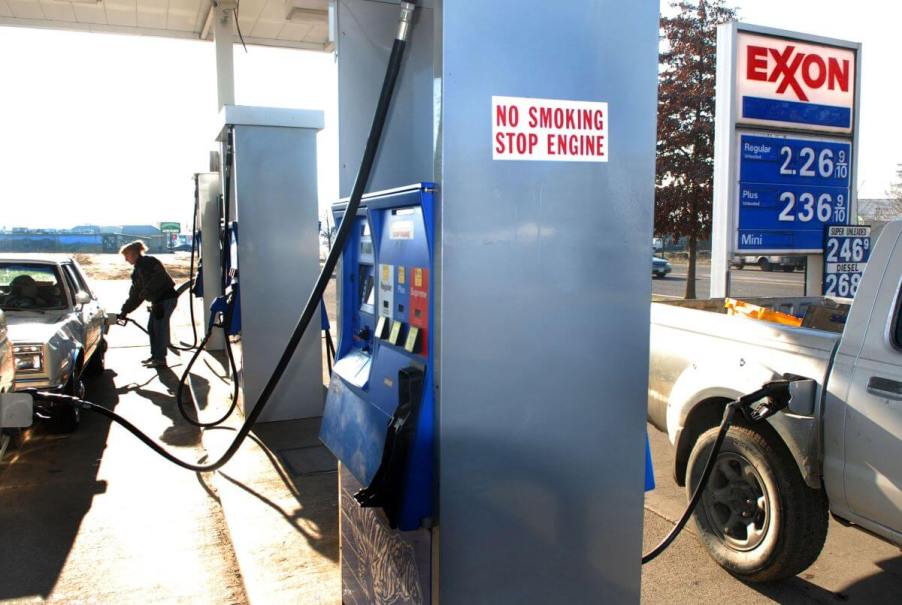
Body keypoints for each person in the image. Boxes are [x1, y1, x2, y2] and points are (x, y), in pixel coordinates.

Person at [118, 240, 178, 368]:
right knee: (152, 328)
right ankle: (155, 356)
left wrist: (147, 290)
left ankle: (160, 359)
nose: (126, 260)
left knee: (159, 328)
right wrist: (125, 310)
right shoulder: (136, 272)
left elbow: (160, 277)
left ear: (134, 254)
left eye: (126, 256)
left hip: (166, 298)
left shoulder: (150, 262)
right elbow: (135, 295)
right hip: (158, 301)